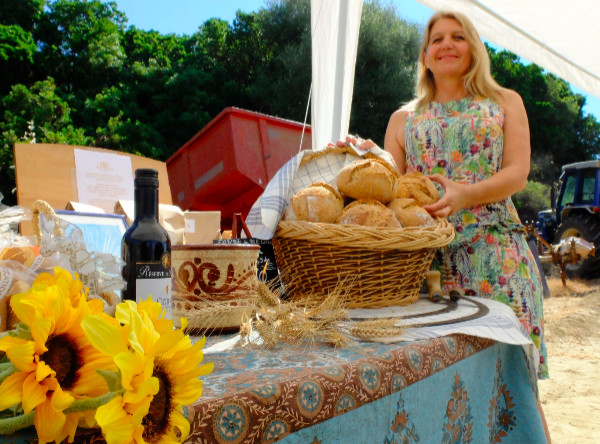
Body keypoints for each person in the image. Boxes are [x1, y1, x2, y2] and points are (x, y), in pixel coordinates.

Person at [342, 9, 552, 440]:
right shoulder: (403, 120)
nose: (447, 44)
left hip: (499, 259)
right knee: (444, 394)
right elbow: (393, 190)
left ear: (474, 48)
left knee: (516, 389)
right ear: (425, 55)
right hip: (428, 269)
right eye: (437, 38)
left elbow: (518, 171)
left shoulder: (505, 101)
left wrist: (464, 195)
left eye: (458, 36)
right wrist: (368, 159)